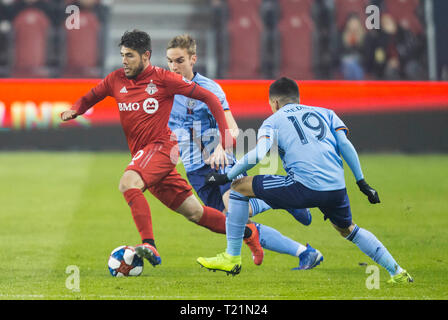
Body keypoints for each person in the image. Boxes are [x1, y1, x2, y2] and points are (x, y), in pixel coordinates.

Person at [60, 29, 257, 268]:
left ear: (146, 56)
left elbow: (211, 99)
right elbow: (91, 96)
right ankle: (248, 232)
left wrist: (225, 142)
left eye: (130, 56)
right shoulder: (115, 80)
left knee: (128, 183)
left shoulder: (164, 79)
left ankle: (149, 243)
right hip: (145, 158)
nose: (124, 61)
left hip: (162, 148)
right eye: (122, 55)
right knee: (195, 213)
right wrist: (76, 109)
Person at [198, 77, 413, 284]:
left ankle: (232, 257)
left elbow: (257, 155)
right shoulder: (326, 113)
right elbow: (346, 146)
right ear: (297, 98)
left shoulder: (272, 121)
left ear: (274, 102)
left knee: (238, 188)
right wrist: (362, 182)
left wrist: (227, 176)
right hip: (336, 188)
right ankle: (397, 271)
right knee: (349, 230)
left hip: (303, 187)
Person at [166, 34, 318, 269]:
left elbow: (233, 129)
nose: (173, 67)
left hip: (219, 162)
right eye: (170, 61)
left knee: (236, 210)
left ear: (193, 59)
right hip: (194, 169)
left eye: (179, 61)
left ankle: (284, 198)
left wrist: (219, 148)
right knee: (235, 222)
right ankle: (305, 252)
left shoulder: (209, 89)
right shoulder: (165, 89)